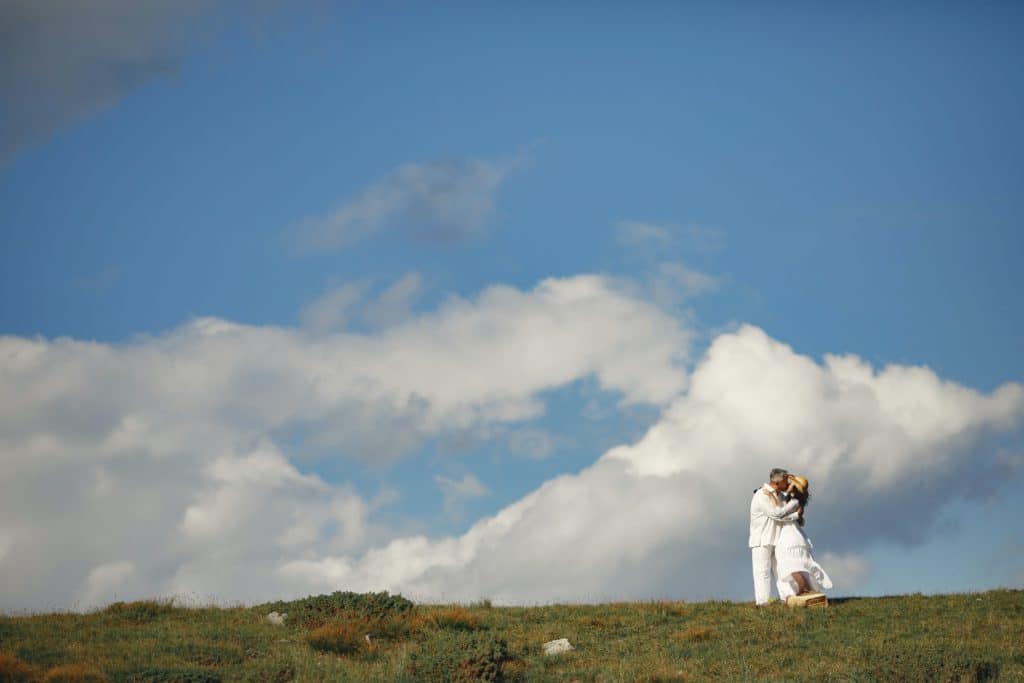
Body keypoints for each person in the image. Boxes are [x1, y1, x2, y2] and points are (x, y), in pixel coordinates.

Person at [774, 474, 833, 600]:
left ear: (794, 488)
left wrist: (795, 516)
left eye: (790, 484)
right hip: (795, 534)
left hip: (789, 535)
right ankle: (804, 590)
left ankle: (803, 589)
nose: (788, 485)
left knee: (789, 564)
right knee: (795, 564)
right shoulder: (794, 501)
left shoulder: (793, 502)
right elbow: (800, 521)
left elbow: (779, 516)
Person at [749, 467, 801, 607]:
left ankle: (787, 598)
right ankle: (762, 602)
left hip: (777, 538)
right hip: (761, 539)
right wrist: (795, 508)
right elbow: (776, 514)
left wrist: (793, 495)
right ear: (777, 482)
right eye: (786, 481)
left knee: (781, 569)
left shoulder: (779, 495)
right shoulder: (762, 494)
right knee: (762, 571)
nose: (788, 483)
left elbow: (784, 511)